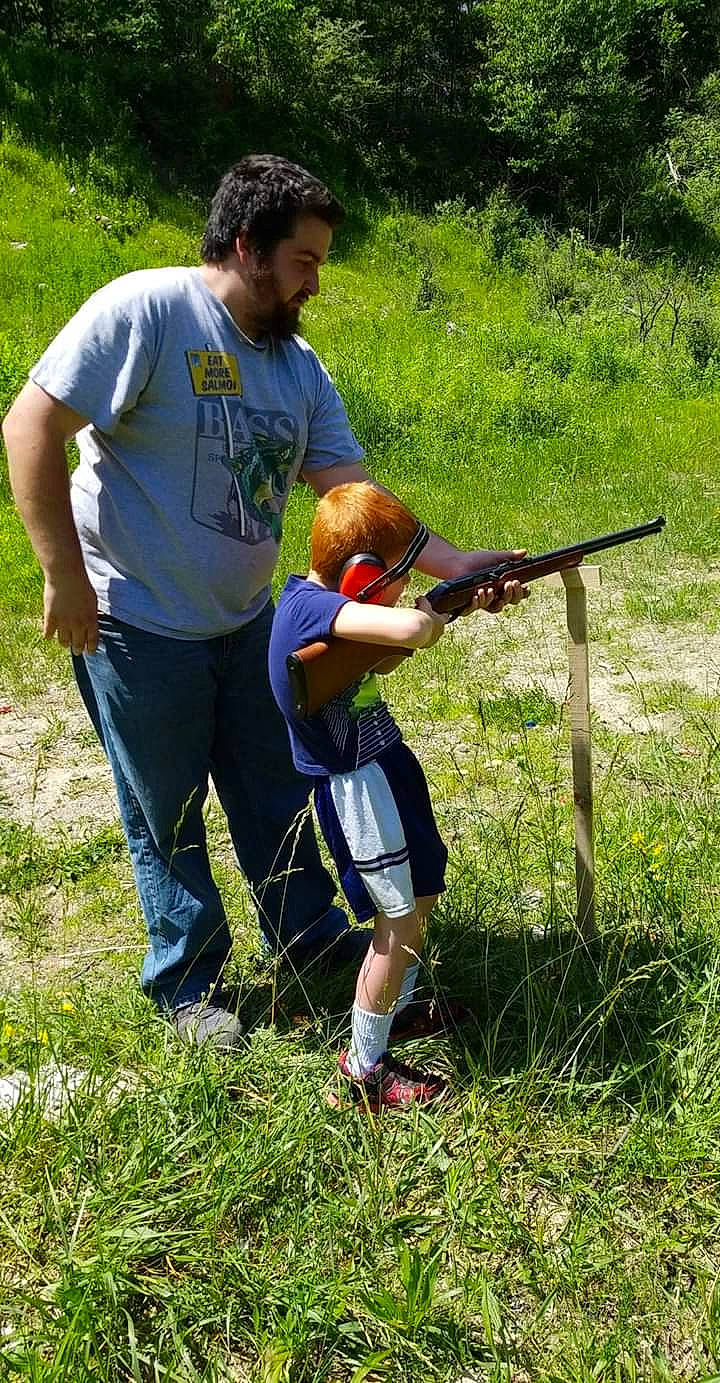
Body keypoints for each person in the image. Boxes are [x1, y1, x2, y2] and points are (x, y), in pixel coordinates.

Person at [2, 154, 525, 1052]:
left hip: (249, 624)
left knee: (275, 788)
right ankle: (187, 983)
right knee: (164, 809)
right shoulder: (149, 311)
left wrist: (459, 561)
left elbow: (355, 498)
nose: (317, 281)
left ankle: (311, 937)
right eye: (306, 261)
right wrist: (65, 578)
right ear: (248, 245)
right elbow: (30, 427)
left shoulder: (296, 365)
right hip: (135, 623)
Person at [268, 481, 522, 1110]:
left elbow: (378, 658)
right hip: (357, 787)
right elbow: (408, 626)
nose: (408, 587)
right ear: (362, 576)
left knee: (424, 889)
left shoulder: (336, 611)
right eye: (400, 575)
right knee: (397, 917)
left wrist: (455, 601)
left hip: (383, 766)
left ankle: (395, 1011)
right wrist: (432, 614)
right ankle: (364, 1066)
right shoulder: (303, 610)